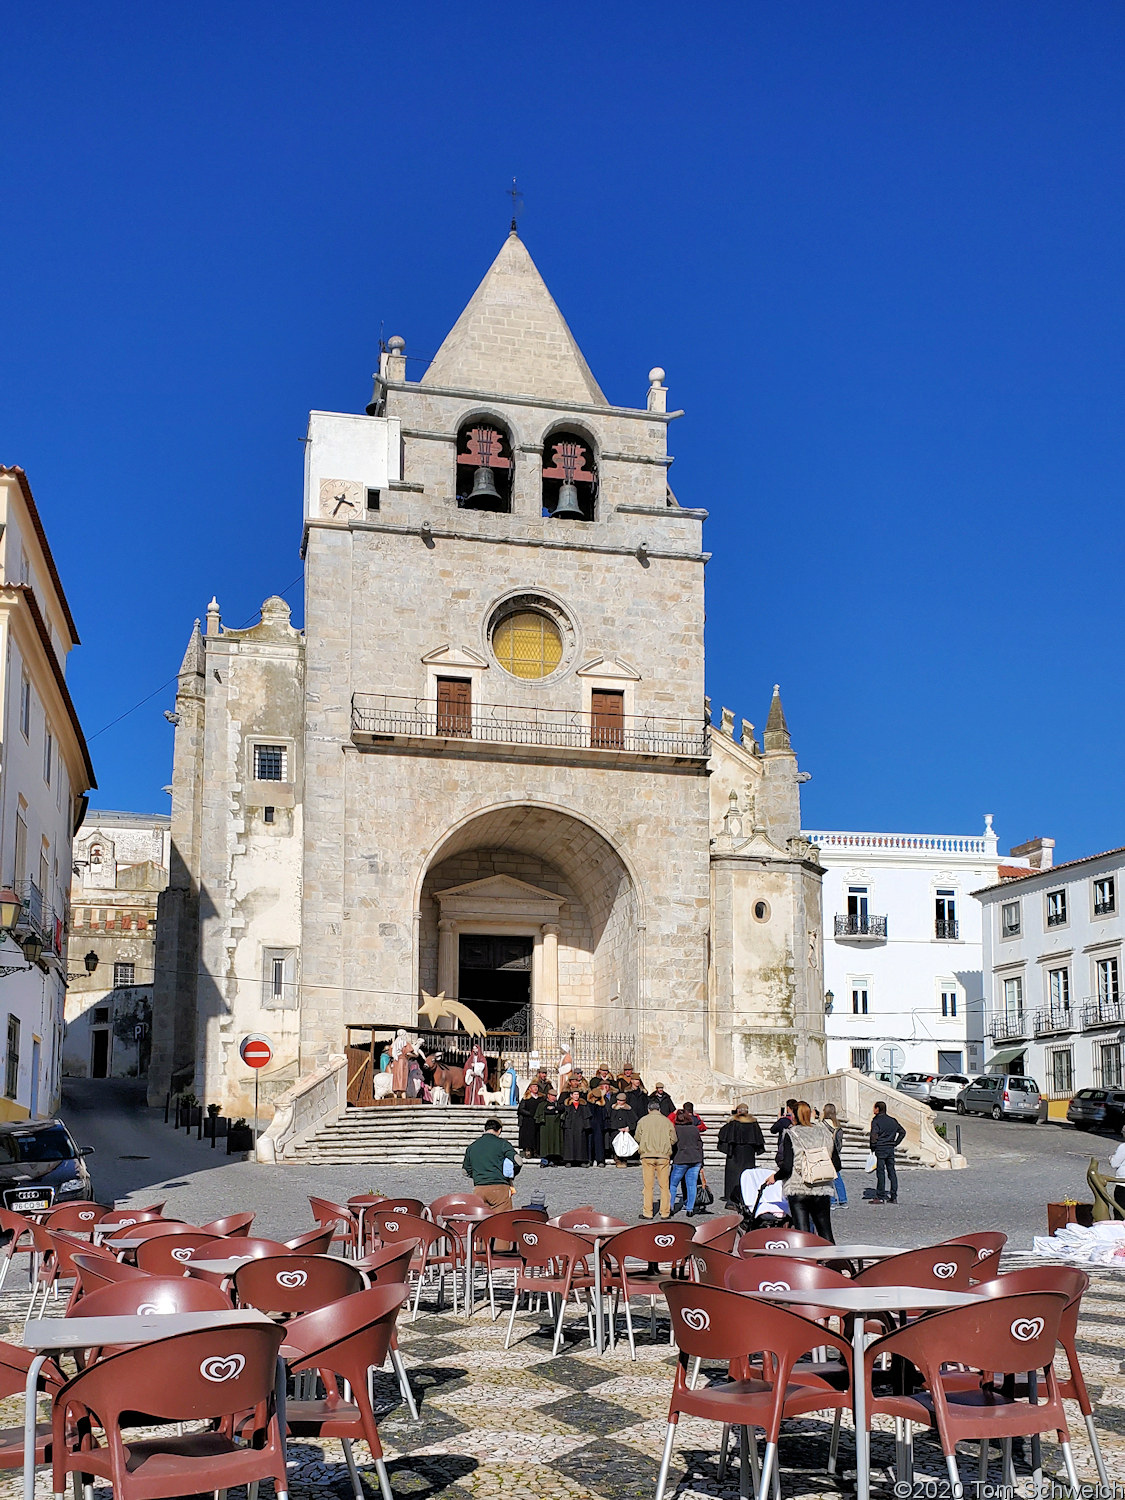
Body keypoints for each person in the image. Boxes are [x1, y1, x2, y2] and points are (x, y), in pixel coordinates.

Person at [775, 1101, 840, 1242]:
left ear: (795, 1116)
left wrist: (774, 1177)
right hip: (821, 1187)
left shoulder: (791, 1134)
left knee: (802, 1234)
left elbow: (786, 1167)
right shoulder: (825, 1132)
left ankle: (805, 1262)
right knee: (825, 1232)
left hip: (798, 1188)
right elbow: (837, 1164)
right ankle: (832, 1261)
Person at [462, 1118, 520, 1212]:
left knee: (481, 1221)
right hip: (499, 1188)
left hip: (479, 1189)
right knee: (501, 1221)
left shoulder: (472, 1146)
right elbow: (518, 1161)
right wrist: (510, 1175)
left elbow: (465, 1171)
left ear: (484, 1129)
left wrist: (479, 1175)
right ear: (499, 1130)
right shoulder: (503, 1144)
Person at [716, 1105, 766, 1208]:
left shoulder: (733, 1123)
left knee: (733, 1176)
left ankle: (732, 1199)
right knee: (747, 1175)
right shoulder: (753, 1123)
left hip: (735, 1153)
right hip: (749, 1154)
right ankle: (745, 1198)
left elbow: (723, 1135)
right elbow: (758, 1138)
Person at [634, 1100, 676, 1218]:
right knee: (664, 1186)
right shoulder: (667, 1121)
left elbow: (637, 1137)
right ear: (659, 1109)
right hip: (663, 1156)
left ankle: (648, 1212)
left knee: (648, 1186)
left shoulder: (643, 1121)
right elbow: (673, 1138)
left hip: (647, 1155)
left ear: (648, 1109)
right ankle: (665, 1212)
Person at [669, 1102, 706, 1215]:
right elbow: (700, 1145)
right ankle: (690, 1209)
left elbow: (673, 1144)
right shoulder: (694, 1129)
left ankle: (670, 1207)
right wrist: (702, 1162)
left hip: (681, 1158)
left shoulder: (676, 1130)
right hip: (695, 1159)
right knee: (691, 1184)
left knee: (673, 1184)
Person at [869, 1100, 906, 1205]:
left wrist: (872, 1147)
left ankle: (880, 1196)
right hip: (890, 1149)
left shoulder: (876, 1121)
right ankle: (893, 1196)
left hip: (881, 1148)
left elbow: (874, 1136)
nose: (873, 1110)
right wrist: (895, 1143)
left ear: (877, 1109)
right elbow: (902, 1132)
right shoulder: (892, 1120)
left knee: (880, 1173)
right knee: (892, 1172)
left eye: (874, 1108)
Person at [821, 1102, 847, 1207]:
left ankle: (832, 1201)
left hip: (825, 1154)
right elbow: (839, 1144)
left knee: (827, 1180)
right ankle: (843, 1199)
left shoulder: (822, 1125)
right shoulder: (838, 1126)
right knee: (838, 1178)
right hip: (835, 1155)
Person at [562, 1089, 591, 1166]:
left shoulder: (583, 1105)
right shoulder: (567, 1105)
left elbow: (586, 1116)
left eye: (577, 1094)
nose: (576, 1096)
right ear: (571, 1095)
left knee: (581, 1143)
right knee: (569, 1144)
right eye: (574, 1094)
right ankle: (569, 1160)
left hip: (580, 1126)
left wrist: (586, 1126)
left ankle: (581, 1160)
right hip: (570, 1126)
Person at [535, 1089, 564, 1166]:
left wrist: (554, 1110)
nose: (554, 1098)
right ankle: (544, 1161)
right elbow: (545, 1111)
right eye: (552, 1096)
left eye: (555, 1096)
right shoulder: (543, 1104)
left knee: (554, 1144)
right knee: (545, 1144)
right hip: (545, 1126)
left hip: (555, 1127)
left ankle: (552, 1160)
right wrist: (554, 1111)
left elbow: (561, 1110)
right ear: (548, 1095)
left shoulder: (558, 1104)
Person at [608, 1093, 638, 1165]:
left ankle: (624, 1159)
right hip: (616, 1131)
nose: (619, 1102)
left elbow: (634, 1120)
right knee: (616, 1145)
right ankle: (617, 1158)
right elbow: (609, 1120)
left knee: (625, 1145)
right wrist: (617, 1128)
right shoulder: (613, 1109)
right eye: (618, 1100)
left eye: (621, 1101)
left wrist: (629, 1128)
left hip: (626, 1131)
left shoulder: (629, 1109)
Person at [586, 1083, 609, 1167]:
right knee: (589, 1143)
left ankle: (600, 1160)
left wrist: (604, 1126)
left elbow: (604, 1116)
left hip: (599, 1126)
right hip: (590, 1126)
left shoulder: (601, 1106)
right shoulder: (588, 1105)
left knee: (599, 1143)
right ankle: (589, 1159)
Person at [517, 1083, 542, 1156]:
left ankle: (535, 1150)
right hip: (527, 1121)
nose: (535, 1088)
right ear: (530, 1088)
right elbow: (521, 1109)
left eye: (536, 1086)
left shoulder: (540, 1098)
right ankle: (528, 1150)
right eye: (533, 1086)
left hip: (537, 1120)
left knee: (536, 1136)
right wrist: (530, 1113)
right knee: (528, 1136)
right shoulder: (526, 1098)